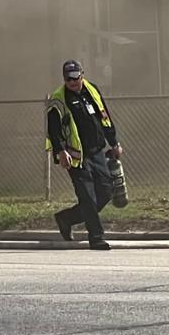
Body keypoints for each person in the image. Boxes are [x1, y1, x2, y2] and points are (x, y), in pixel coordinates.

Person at [46, 59, 123, 250]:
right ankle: (96, 238)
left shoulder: (92, 90)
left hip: (97, 151)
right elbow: (53, 130)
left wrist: (114, 143)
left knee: (105, 192)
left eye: (75, 77)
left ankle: (66, 218)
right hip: (76, 156)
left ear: (82, 74)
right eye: (68, 78)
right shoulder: (58, 99)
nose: (72, 82)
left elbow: (105, 117)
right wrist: (60, 151)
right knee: (87, 197)